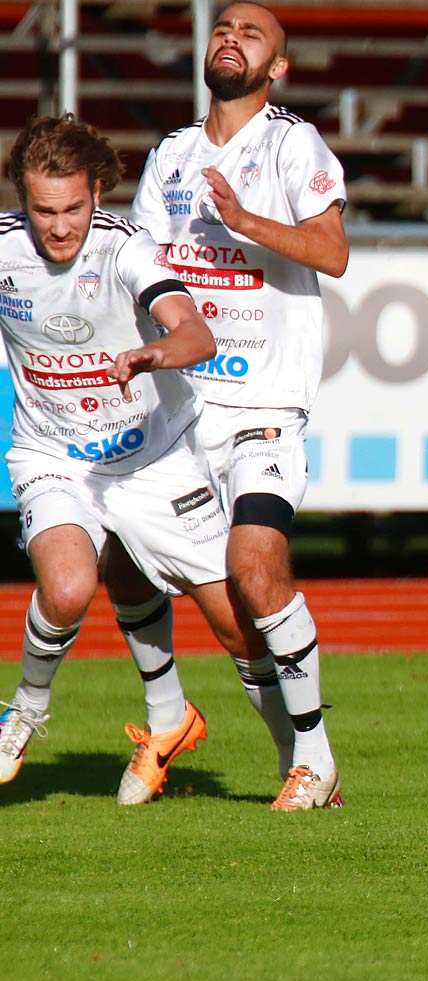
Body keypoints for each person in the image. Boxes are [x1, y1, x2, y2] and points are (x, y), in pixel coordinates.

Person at [106, 0, 349, 810]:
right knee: (126, 563)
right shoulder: (171, 154)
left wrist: (246, 222)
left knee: (255, 566)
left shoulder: (290, 142)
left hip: (263, 404)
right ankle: (224, 733)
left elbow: (334, 251)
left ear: (276, 67)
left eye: (252, 35)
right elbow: (139, 271)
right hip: (177, 408)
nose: (231, 40)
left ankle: (316, 757)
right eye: (222, 29)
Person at [0, 114, 253, 805]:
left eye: (73, 209)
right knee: (71, 586)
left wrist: (154, 352)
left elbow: (195, 333)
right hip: (55, 455)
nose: (58, 227)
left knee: (237, 624)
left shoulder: (125, 251)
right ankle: (24, 710)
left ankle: (305, 767)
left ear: (99, 193)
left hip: (153, 456)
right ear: (22, 200)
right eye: (42, 211)